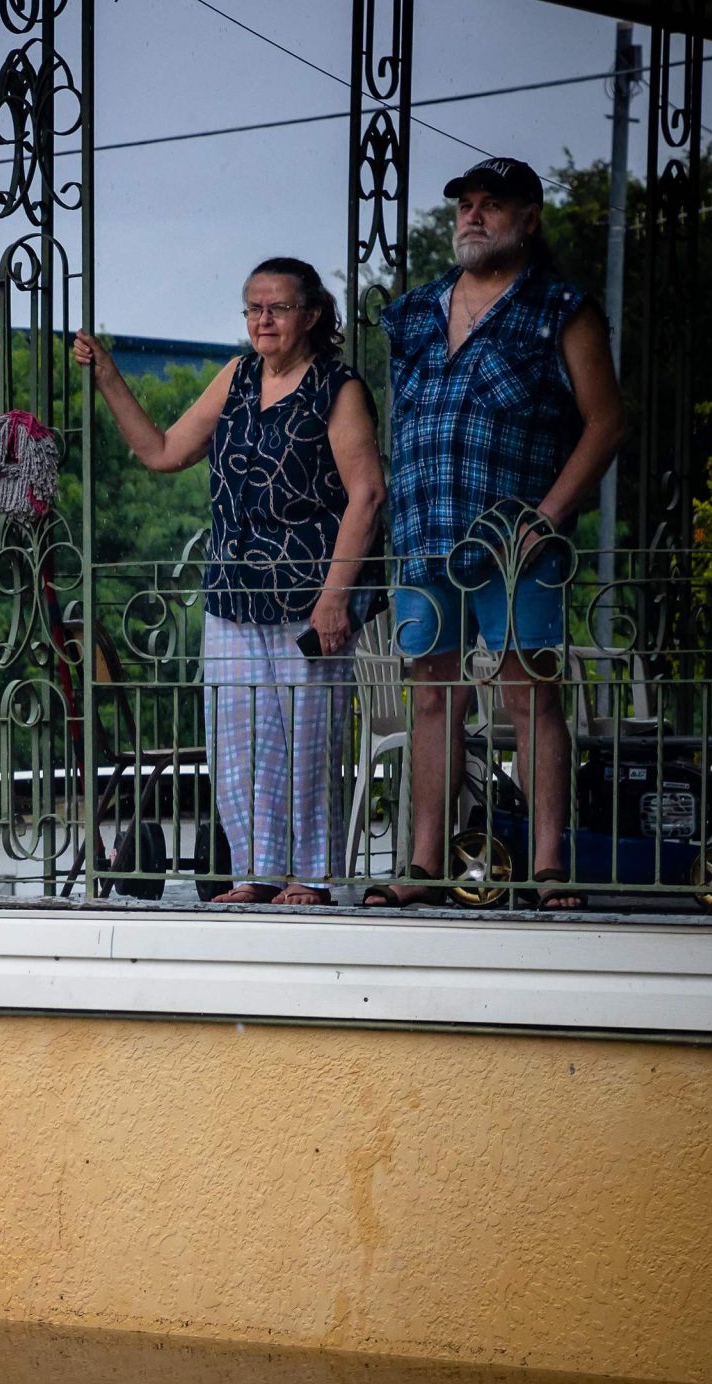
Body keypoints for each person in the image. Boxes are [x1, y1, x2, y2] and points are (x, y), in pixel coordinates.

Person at [73, 257, 385, 904]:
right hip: (233, 594)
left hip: (308, 595)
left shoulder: (337, 386)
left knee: (309, 741)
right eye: (252, 308)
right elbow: (163, 453)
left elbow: (368, 494)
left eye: (276, 307)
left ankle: (313, 877)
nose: (262, 319)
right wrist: (108, 377)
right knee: (240, 746)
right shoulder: (238, 376)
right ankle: (255, 874)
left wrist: (336, 596)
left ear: (313, 315)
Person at [368, 156, 625, 910]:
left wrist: (546, 518)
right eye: (466, 205)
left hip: (518, 545)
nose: (474, 217)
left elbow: (608, 422)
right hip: (424, 533)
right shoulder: (415, 309)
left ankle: (548, 868)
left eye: (493, 205)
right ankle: (425, 864)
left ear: (529, 219)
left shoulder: (560, 306)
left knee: (530, 699)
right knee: (431, 698)